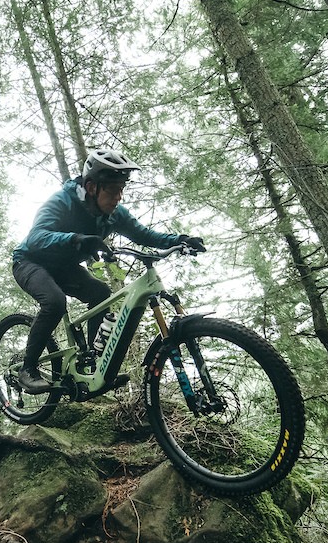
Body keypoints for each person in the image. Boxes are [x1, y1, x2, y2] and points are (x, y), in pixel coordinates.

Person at [11, 148, 206, 394]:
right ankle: (27, 369)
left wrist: (179, 240)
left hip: (64, 268)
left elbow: (143, 235)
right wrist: (76, 239)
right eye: (113, 190)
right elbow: (36, 237)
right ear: (92, 187)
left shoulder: (114, 214)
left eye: (121, 189)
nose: (118, 197)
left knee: (101, 294)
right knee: (55, 302)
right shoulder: (62, 202)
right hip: (29, 261)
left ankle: (94, 365)